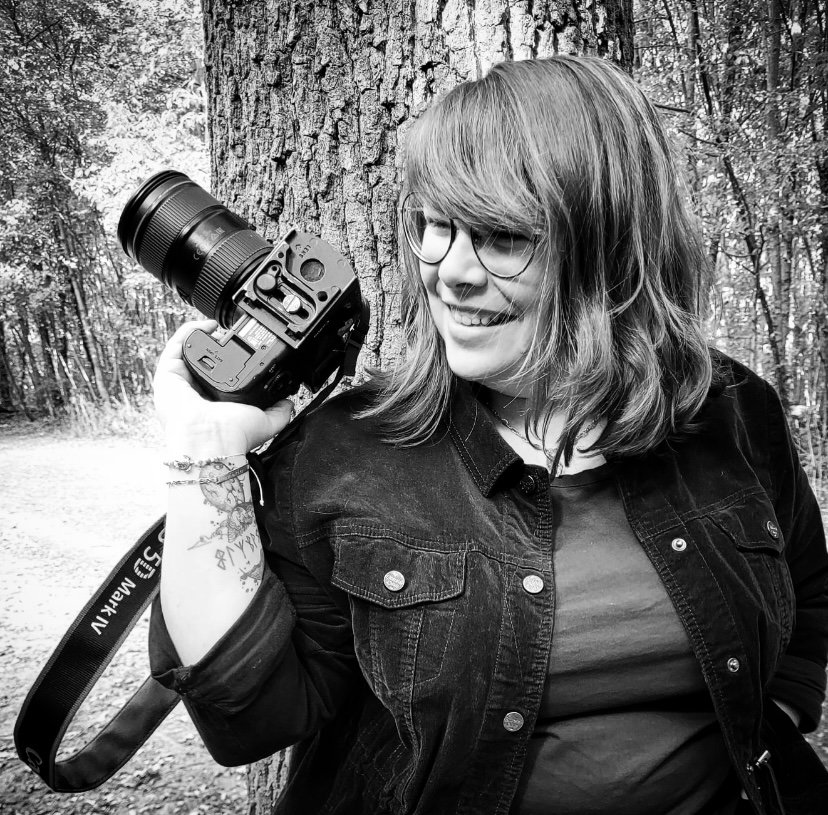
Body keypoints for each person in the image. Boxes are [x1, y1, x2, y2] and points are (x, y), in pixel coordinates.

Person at [149, 56, 828, 815]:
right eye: (434, 227)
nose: (452, 272)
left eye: (501, 237)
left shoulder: (733, 412)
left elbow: (809, 595)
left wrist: (790, 705)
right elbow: (248, 717)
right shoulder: (344, 453)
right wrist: (201, 458)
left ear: (610, 246)